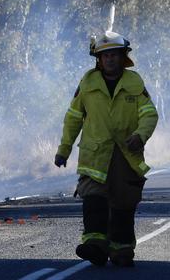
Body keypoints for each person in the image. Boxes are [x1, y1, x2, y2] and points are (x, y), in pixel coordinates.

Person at [54, 31, 158, 267]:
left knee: (123, 204)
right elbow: (73, 118)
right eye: (105, 55)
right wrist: (64, 149)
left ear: (123, 58)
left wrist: (140, 136)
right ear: (98, 60)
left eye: (114, 55)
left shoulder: (135, 83)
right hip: (94, 154)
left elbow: (149, 114)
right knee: (93, 198)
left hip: (125, 155)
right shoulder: (87, 83)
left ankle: (122, 249)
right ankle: (95, 245)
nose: (110, 59)